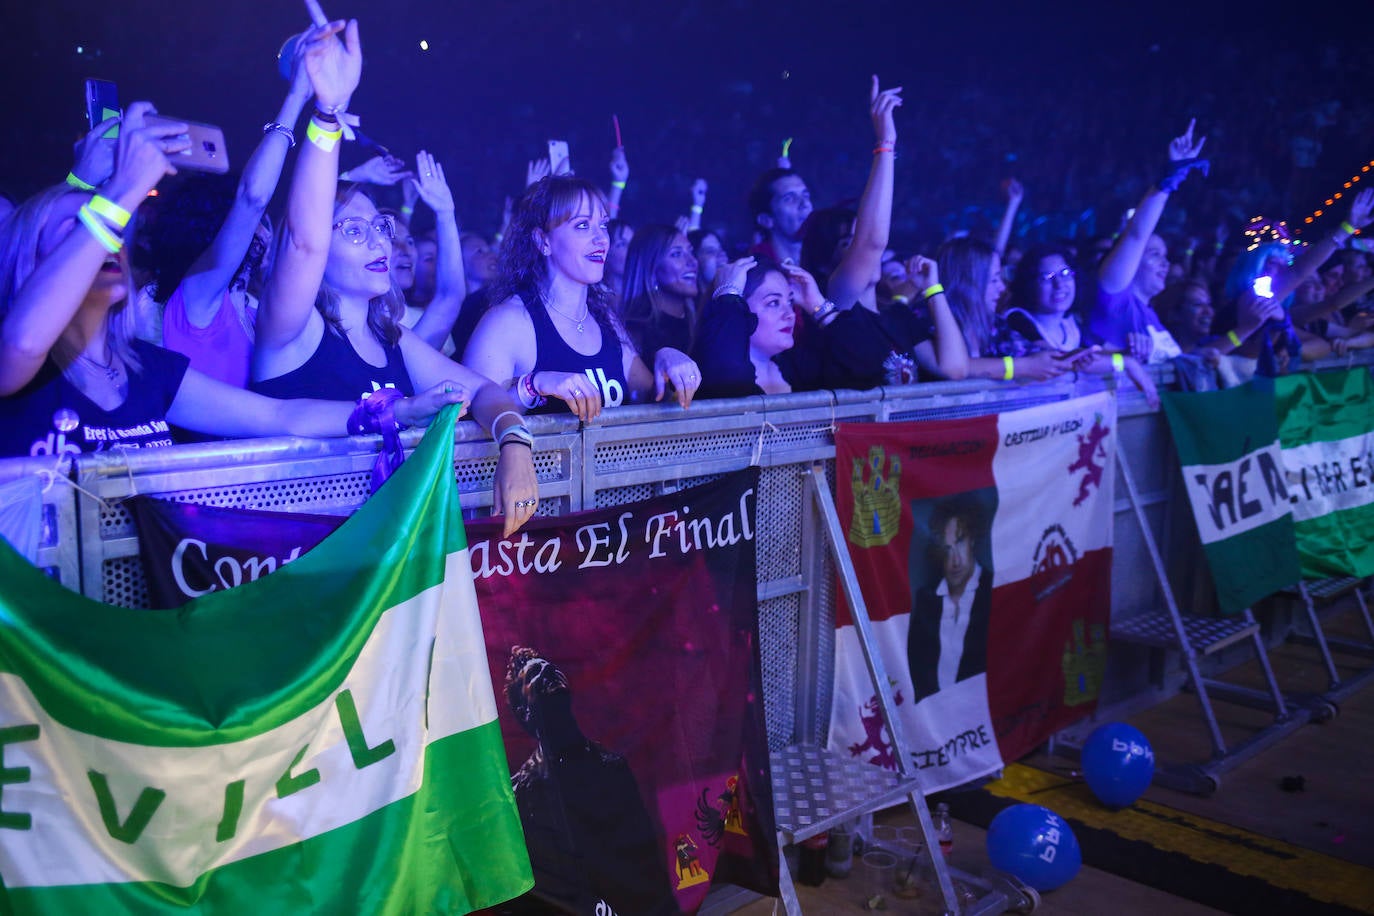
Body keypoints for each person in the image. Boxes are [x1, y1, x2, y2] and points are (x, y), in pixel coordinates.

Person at [0, 103, 468, 483]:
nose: (106, 235)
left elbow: (280, 419)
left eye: (111, 223)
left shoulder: (151, 370)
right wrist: (119, 188)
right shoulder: (24, 372)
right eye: (80, 229)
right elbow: (21, 341)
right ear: (31, 264)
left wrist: (396, 411)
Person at [247, 19, 538, 532]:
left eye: (378, 228)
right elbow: (303, 239)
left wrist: (514, 440)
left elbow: (487, 393)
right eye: (353, 231)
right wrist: (327, 114)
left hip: (388, 559)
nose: (379, 241)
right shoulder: (291, 328)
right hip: (302, 561)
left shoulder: (394, 339)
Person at [463, 176, 702, 421]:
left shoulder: (603, 318)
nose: (601, 239)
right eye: (582, 226)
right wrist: (532, 386)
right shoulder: (506, 322)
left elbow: (652, 399)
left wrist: (667, 359)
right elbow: (470, 428)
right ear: (543, 241)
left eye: (603, 225)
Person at [159, 46, 312, 388]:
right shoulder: (199, 295)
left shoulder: (256, 310)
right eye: (259, 224)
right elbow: (253, 197)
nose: (267, 232)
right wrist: (298, 95)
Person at [504, 647, 678, 916]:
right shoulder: (521, 796)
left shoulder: (612, 766)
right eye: (535, 673)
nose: (548, 671)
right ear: (523, 710)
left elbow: (647, 861)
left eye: (550, 666)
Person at [1088, 120, 1209, 363]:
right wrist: (1171, 178)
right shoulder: (1115, 301)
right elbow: (1136, 235)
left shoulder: (1150, 314)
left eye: (1164, 256)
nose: (1165, 264)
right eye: (1154, 255)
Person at [907, 496, 992, 703]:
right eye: (947, 548)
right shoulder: (926, 601)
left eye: (960, 542)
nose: (955, 560)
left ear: (972, 540)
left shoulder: (992, 591)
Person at [620, 224, 698, 358]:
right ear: (651, 268)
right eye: (677, 254)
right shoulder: (640, 330)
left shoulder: (696, 318)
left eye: (691, 252)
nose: (692, 261)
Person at [746, 167, 811, 265]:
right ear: (766, 220)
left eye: (805, 195)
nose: (805, 204)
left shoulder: (827, 259)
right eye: (789, 198)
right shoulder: (757, 271)